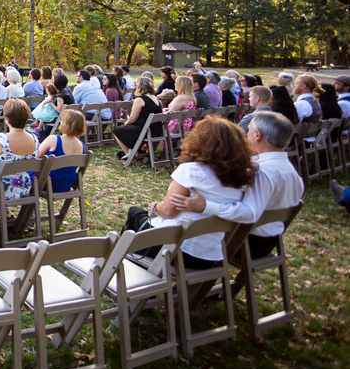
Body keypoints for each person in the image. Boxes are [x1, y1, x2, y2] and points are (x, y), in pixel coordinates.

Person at [122, 116, 254, 270]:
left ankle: (127, 271)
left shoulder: (192, 170)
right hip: (208, 255)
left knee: (135, 215)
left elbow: (167, 211)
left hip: (175, 249)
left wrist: (154, 206)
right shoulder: (241, 178)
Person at [171, 112, 303, 259]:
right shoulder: (291, 172)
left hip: (245, 242)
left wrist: (206, 206)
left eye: (249, 130)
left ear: (257, 135)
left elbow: (249, 213)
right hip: (270, 241)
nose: (245, 135)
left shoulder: (261, 171)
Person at [35, 110, 87, 194]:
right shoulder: (81, 145)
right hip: (66, 184)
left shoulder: (53, 139)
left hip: (47, 183)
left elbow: (35, 158)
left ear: (65, 124)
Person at [113, 76, 163, 159]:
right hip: (156, 129)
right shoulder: (157, 99)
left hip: (145, 130)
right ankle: (131, 151)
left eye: (136, 85)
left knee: (117, 131)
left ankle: (130, 154)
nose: (135, 87)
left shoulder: (140, 100)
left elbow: (133, 117)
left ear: (140, 87)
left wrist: (126, 123)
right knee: (130, 129)